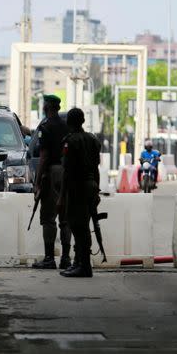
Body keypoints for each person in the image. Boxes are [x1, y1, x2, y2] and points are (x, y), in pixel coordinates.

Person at [57, 108, 101, 278]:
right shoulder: (92, 139)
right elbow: (96, 168)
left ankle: (83, 266)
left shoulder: (70, 141)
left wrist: (61, 197)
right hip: (90, 186)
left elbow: (67, 172)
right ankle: (80, 263)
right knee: (84, 225)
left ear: (69, 122)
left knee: (77, 226)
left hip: (77, 188)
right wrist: (96, 189)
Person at [32, 94, 71, 270]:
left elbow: (44, 156)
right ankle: (65, 258)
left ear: (47, 106)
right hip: (67, 173)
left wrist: (37, 181)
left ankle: (49, 258)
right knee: (65, 218)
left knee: (48, 217)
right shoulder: (66, 126)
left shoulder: (45, 127)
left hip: (52, 173)